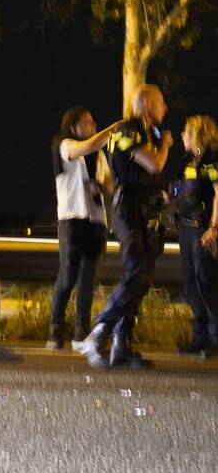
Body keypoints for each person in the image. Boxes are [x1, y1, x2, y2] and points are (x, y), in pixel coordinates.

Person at [76, 84, 173, 368]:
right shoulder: (125, 131)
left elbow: (153, 175)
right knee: (136, 273)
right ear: (145, 103)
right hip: (128, 208)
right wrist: (165, 146)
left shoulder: (148, 132)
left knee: (143, 277)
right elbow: (153, 164)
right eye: (160, 102)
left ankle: (123, 345)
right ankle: (100, 331)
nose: (165, 108)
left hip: (147, 211)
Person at [47, 107, 115, 349]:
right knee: (67, 277)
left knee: (88, 280)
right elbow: (83, 148)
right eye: (88, 121)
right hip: (71, 220)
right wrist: (113, 130)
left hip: (96, 221)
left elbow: (109, 185)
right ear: (74, 127)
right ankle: (55, 330)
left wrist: (101, 187)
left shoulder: (100, 155)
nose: (94, 124)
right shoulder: (64, 144)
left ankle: (81, 333)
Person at [173, 115, 218, 357]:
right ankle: (200, 337)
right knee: (191, 285)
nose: (182, 134)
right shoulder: (186, 161)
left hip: (203, 229)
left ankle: (214, 337)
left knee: (206, 283)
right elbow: (177, 189)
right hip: (186, 229)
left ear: (198, 134)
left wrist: (213, 227)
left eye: (186, 131)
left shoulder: (212, 158)